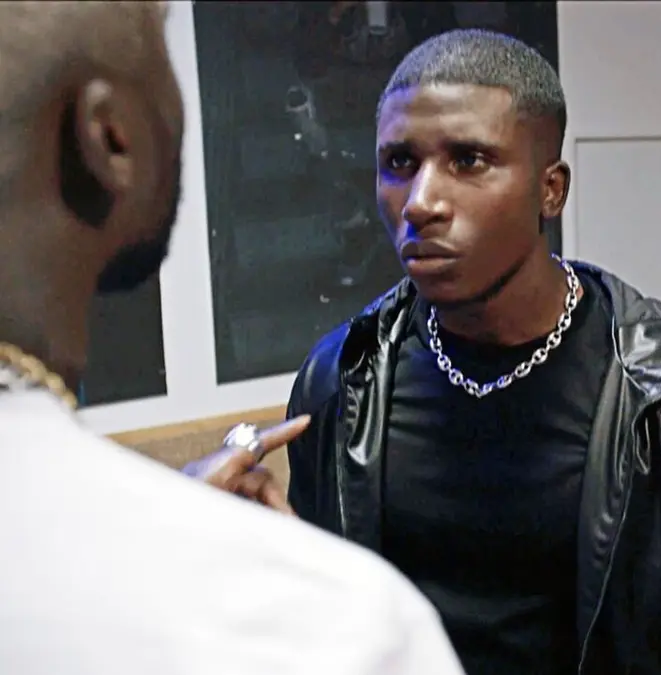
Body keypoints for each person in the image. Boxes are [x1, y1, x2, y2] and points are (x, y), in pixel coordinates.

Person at [269, 28, 661, 675]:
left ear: (550, 190)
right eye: (399, 163)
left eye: (468, 160)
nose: (421, 203)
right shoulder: (342, 379)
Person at [0, 4, 463, 673]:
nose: (421, 201)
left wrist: (169, 520)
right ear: (110, 136)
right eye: (163, 47)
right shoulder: (337, 631)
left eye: (468, 160)